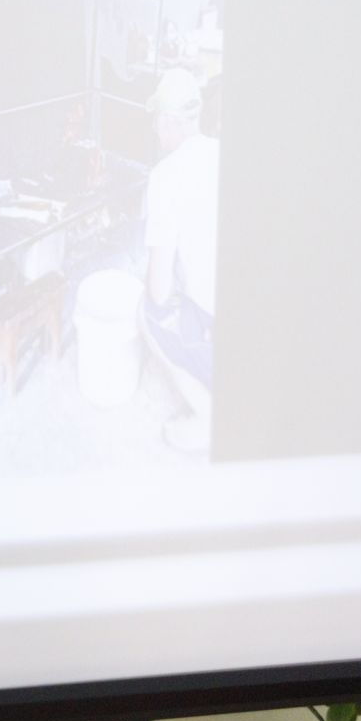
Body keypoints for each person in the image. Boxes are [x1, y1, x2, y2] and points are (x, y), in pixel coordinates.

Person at [141, 67, 218, 452]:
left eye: (157, 119)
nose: (156, 128)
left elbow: (159, 289)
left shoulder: (165, 177)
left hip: (217, 324)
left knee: (148, 311)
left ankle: (208, 418)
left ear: (170, 121)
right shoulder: (222, 152)